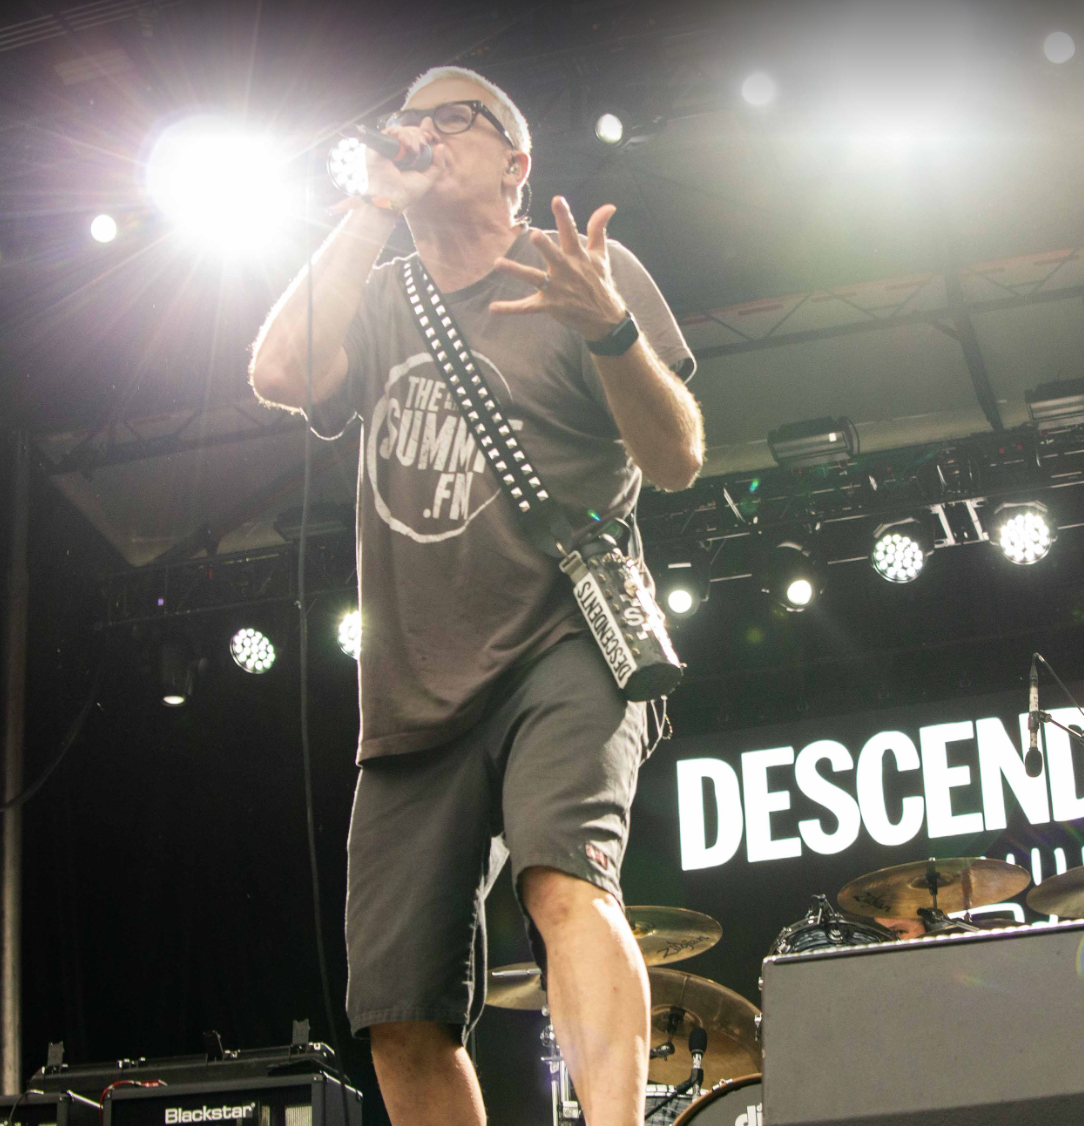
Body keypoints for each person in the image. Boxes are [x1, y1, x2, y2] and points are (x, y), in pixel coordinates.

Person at [248, 63, 704, 1126]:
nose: (424, 134)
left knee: (563, 882)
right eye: (408, 121)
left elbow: (678, 456)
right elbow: (278, 374)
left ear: (515, 161)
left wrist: (609, 329)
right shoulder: (376, 294)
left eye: (455, 118)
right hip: (413, 688)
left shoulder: (583, 269)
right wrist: (370, 208)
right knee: (399, 1011)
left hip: (564, 642)